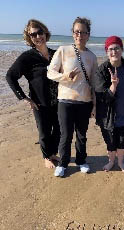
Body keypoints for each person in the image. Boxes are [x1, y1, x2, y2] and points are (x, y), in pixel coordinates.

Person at [47, 17, 98, 177]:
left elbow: (94, 83)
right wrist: (66, 76)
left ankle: (81, 161)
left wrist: (95, 105)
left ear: (88, 35)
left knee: (82, 134)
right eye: (77, 32)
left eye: (83, 32)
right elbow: (50, 73)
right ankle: (62, 163)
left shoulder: (92, 57)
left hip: (84, 101)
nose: (80, 35)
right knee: (66, 134)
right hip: (65, 100)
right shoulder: (63, 50)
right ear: (72, 33)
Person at [6, 19, 60, 169]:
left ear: (45, 32)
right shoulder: (27, 57)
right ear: (29, 38)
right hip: (39, 103)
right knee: (44, 132)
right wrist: (24, 98)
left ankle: (52, 153)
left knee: (58, 129)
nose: (37, 36)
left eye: (40, 32)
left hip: (58, 101)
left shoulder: (56, 54)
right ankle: (46, 157)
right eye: (33, 34)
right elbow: (10, 76)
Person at [95, 36, 124, 173]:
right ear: (107, 52)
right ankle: (111, 161)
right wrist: (113, 85)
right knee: (110, 141)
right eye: (111, 49)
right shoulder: (102, 70)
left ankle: (120, 162)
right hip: (107, 115)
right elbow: (102, 97)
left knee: (122, 140)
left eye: (117, 48)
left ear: (122, 49)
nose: (114, 52)